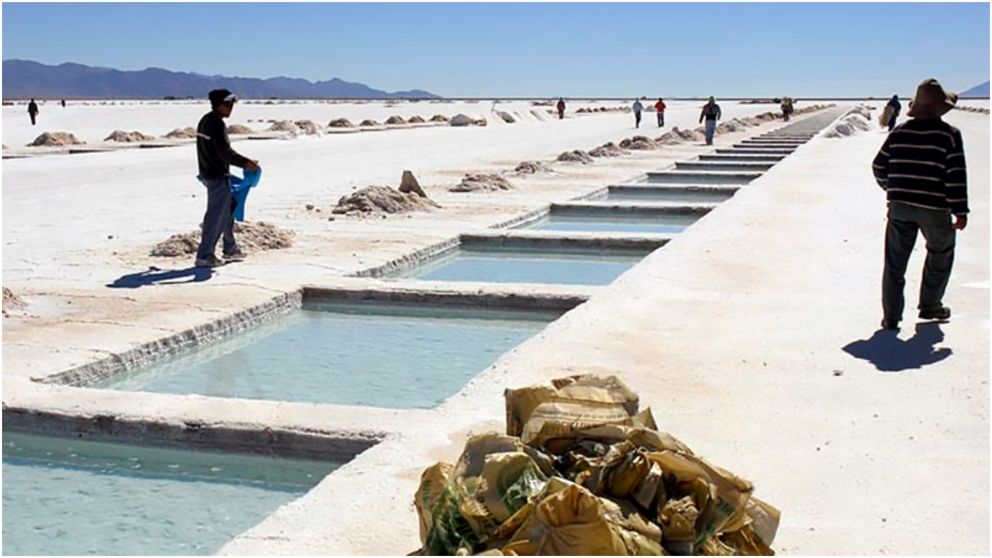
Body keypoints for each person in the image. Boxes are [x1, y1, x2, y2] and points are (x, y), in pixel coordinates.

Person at [871, 78, 967, 330]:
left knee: (895, 262)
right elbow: (955, 175)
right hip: (935, 208)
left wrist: (893, 189)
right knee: (940, 252)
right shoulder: (949, 135)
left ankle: (891, 317)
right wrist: (960, 210)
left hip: (900, 206)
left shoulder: (900, 132)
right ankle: (930, 305)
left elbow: (879, 165)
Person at [194, 88, 260, 268]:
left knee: (228, 209)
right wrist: (246, 163)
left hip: (210, 172)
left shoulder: (206, 120)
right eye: (227, 104)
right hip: (216, 175)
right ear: (218, 104)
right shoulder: (215, 123)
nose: (230, 108)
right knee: (216, 215)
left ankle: (230, 248)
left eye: (232, 104)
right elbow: (225, 153)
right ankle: (205, 255)